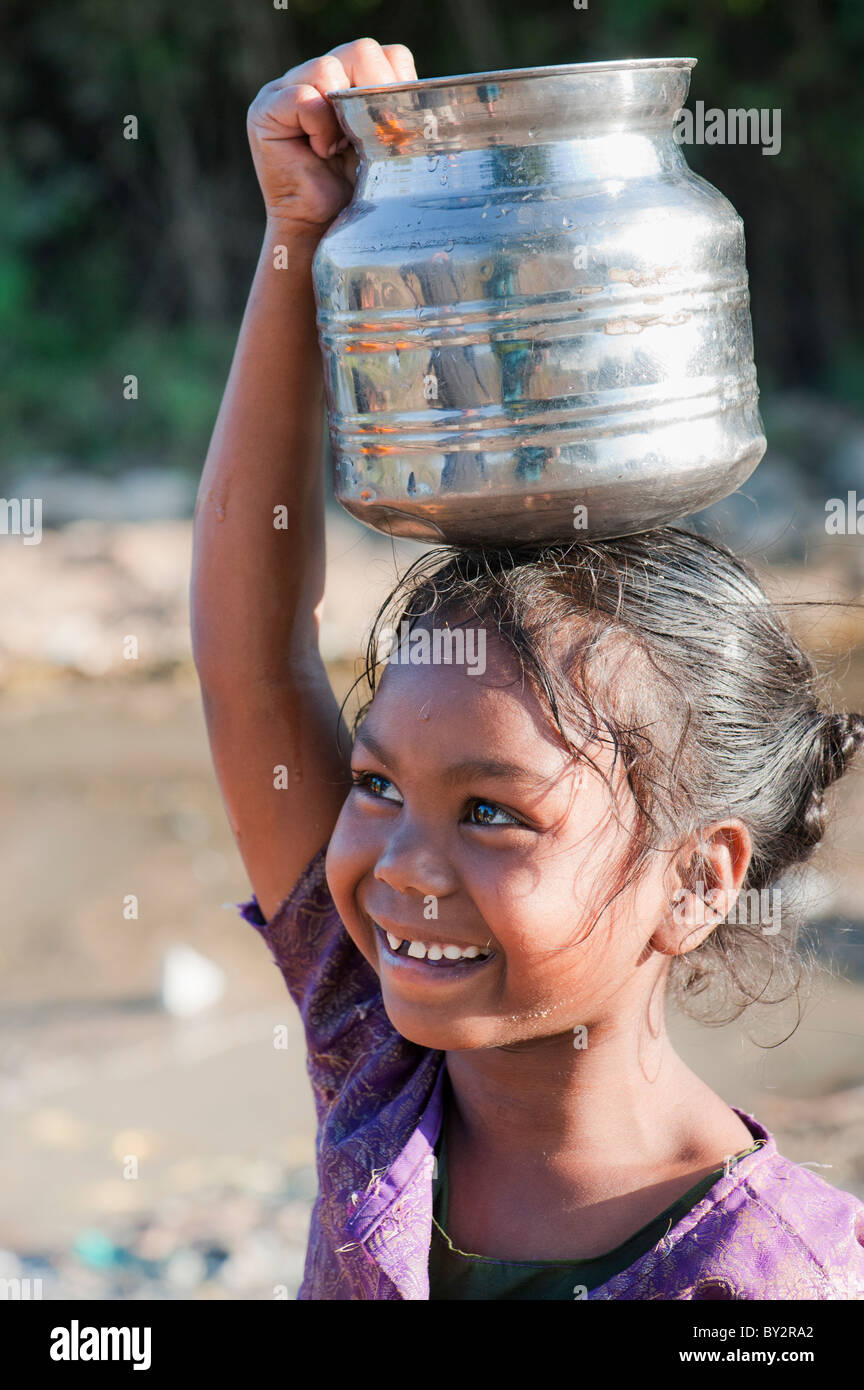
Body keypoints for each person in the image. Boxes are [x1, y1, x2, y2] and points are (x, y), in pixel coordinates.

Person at [191, 38, 864, 1300]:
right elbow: (249, 672)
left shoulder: (779, 1281)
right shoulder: (379, 1063)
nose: (398, 868)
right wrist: (302, 237)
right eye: (378, 783)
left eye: (492, 811)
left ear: (696, 879)